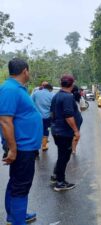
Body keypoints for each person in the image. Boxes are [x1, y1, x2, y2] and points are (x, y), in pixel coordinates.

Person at [0, 58, 43, 225]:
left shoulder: (18, 89)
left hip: (24, 146)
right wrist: (12, 148)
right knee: (21, 186)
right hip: (21, 147)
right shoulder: (9, 89)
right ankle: (18, 220)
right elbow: (4, 120)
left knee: (16, 181)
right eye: (29, 71)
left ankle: (15, 215)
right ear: (25, 70)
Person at [50, 75, 83, 191]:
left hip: (57, 131)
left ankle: (55, 176)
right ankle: (60, 182)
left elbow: (52, 114)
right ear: (72, 84)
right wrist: (76, 130)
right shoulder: (68, 97)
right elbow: (68, 116)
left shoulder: (56, 96)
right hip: (64, 133)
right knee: (64, 157)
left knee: (61, 155)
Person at [32, 83, 54, 151]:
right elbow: (53, 107)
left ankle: (35, 147)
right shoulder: (52, 95)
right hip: (46, 117)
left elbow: (31, 102)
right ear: (50, 89)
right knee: (45, 130)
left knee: (36, 130)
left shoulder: (36, 93)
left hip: (36, 116)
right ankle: (44, 146)